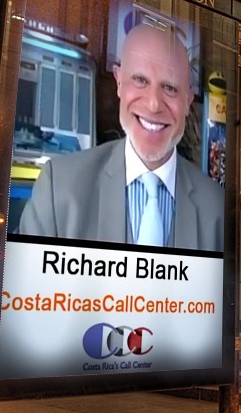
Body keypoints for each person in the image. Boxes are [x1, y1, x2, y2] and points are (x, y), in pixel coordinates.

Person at [16, 23, 224, 251]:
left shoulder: (216, 208)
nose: (154, 104)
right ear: (118, 82)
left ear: (187, 100)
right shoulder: (58, 188)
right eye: (140, 80)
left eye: (170, 88)